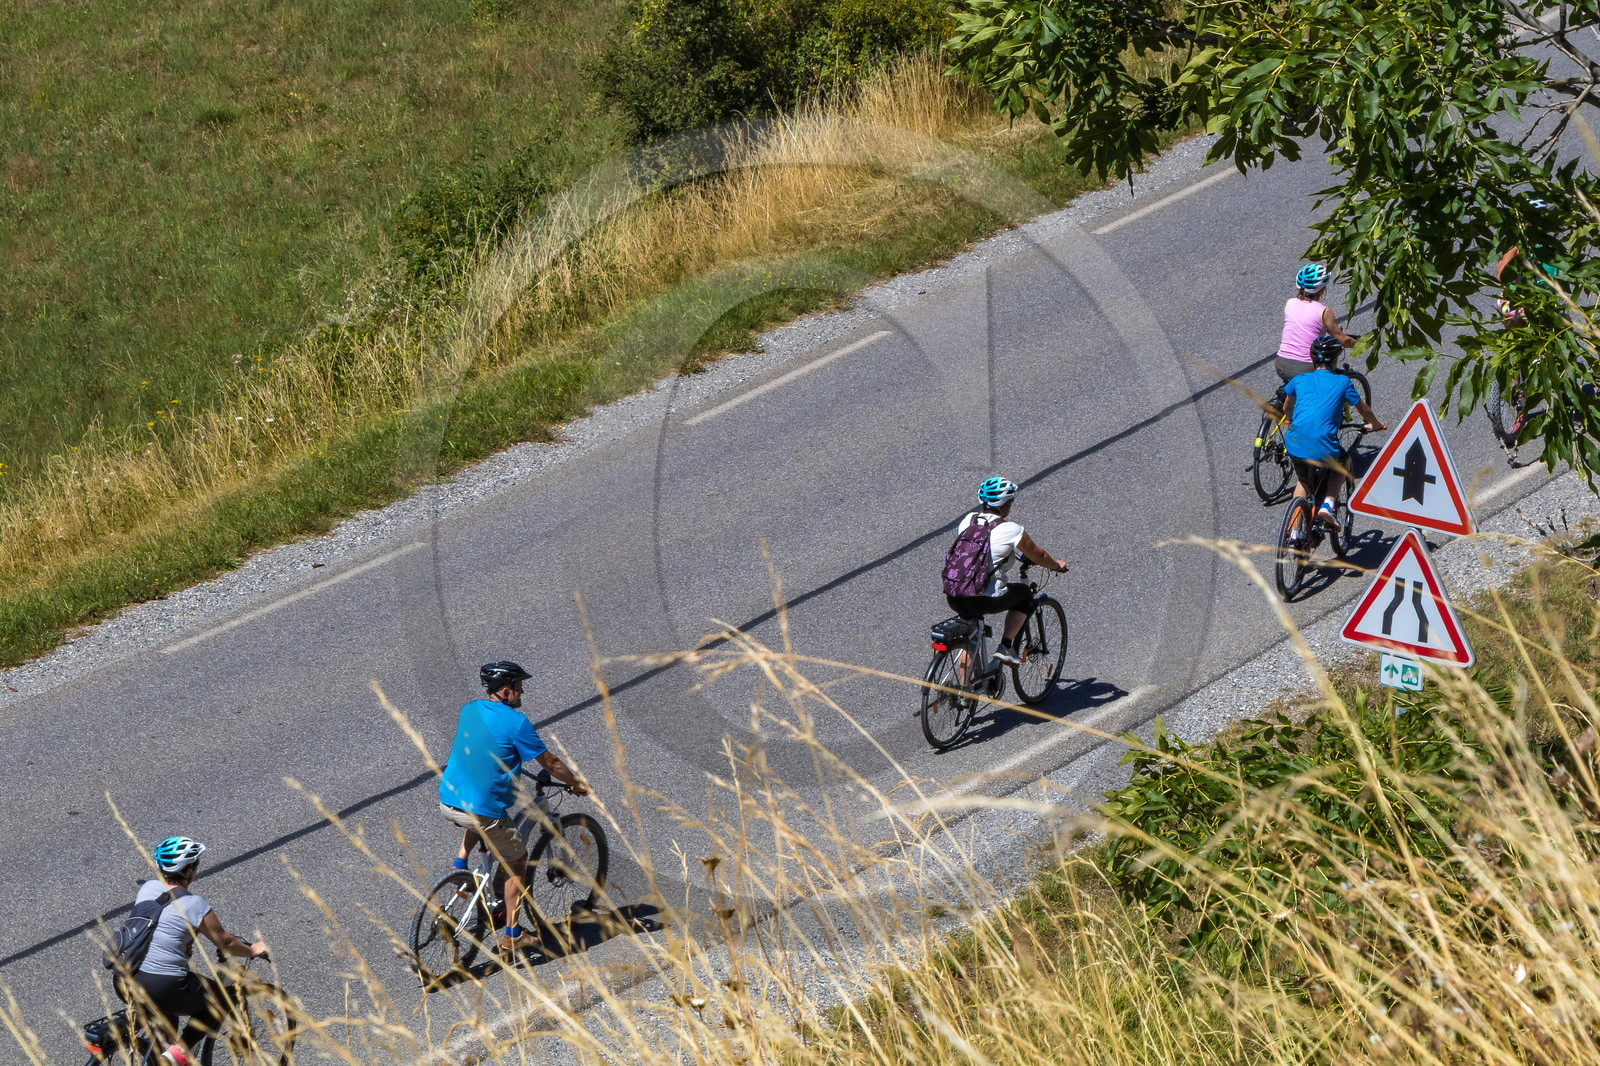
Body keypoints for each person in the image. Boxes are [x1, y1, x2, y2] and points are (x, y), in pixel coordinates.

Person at [438, 661, 588, 954]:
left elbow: (483, 748)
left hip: (448, 799)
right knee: (517, 861)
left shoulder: (469, 709)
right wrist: (576, 783)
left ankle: (461, 867)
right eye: (519, 687)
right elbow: (551, 764)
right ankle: (513, 935)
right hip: (482, 811)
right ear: (506, 691)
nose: (522, 692)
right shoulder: (517, 723)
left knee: (482, 815)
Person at [126, 836, 268, 1066]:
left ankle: (157, 1058)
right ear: (189, 869)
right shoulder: (194, 905)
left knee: (166, 1020)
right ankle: (177, 1057)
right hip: (162, 984)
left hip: (126, 975)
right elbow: (225, 942)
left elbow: (157, 924)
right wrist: (252, 949)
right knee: (219, 1002)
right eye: (196, 864)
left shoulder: (147, 889)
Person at [1268, 334, 1385, 538]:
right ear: (1335, 360)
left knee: (1303, 483)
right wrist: (1375, 424)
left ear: (1313, 359)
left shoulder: (1299, 379)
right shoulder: (1343, 382)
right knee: (1344, 461)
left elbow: (1287, 406)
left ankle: (1295, 533)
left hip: (1295, 442)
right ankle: (1329, 504)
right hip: (1322, 445)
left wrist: (1290, 420)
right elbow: (1363, 409)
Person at [944, 477, 1068, 669]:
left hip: (955, 594)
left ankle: (962, 695)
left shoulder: (967, 521)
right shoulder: (1011, 530)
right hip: (985, 598)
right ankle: (1006, 646)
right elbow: (1039, 555)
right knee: (1025, 595)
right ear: (1006, 504)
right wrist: (1056, 565)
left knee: (970, 637)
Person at [1277, 263, 1357, 386]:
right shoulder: (1324, 312)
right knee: (1330, 386)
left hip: (1281, 364)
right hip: (1307, 368)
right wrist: (1361, 345)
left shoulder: (1290, 303)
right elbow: (1343, 340)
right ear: (1320, 289)